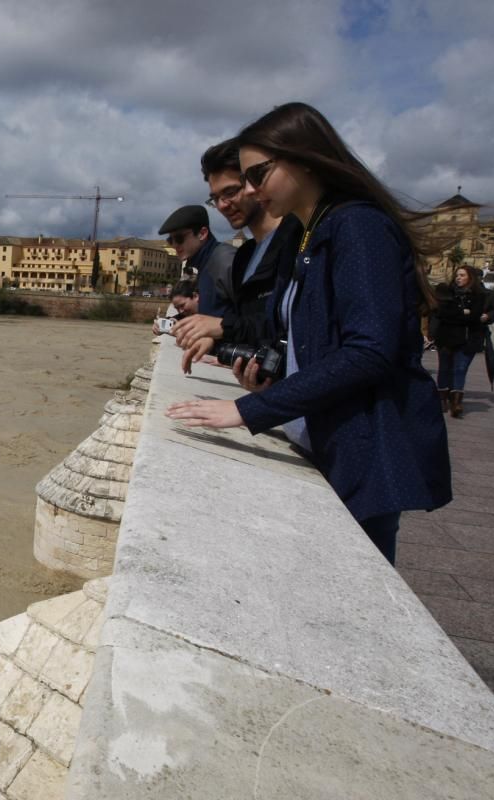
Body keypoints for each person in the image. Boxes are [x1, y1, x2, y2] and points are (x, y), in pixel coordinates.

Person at [165, 102, 451, 566]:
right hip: (327, 437)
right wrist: (272, 381)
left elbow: (369, 351)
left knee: (356, 585)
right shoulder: (313, 233)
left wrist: (249, 409)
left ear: (304, 158)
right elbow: (307, 340)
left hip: (363, 448)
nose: (253, 190)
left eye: (259, 174)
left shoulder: (358, 226)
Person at [173, 139, 303, 371]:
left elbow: (295, 326)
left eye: (231, 192)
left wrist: (223, 327)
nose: (223, 205)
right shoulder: (245, 256)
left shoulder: (298, 240)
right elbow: (251, 326)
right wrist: (215, 339)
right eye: (215, 198)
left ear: (255, 182)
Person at [431, 265, 494, 417]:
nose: (458, 278)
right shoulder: (447, 292)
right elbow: (441, 313)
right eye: (457, 275)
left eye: (462, 275)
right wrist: (462, 313)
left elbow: (474, 316)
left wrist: (461, 315)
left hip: (468, 338)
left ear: (470, 278)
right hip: (446, 337)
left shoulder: (480, 295)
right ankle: (442, 400)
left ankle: (456, 403)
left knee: (460, 369)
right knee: (444, 368)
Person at [157, 205, 237, 319]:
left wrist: (221, 329)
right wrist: (174, 321)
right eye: (170, 240)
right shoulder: (204, 264)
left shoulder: (225, 261)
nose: (174, 245)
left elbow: (254, 320)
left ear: (202, 233)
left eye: (179, 238)